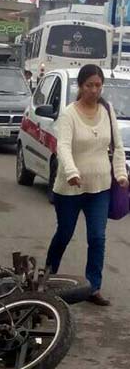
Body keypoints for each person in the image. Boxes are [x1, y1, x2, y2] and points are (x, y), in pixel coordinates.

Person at [46, 64, 129, 306]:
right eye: (89, 85)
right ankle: (46, 278)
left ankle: (93, 287)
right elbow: (63, 147)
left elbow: (117, 146)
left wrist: (121, 174)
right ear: (80, 86)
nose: (94, 90)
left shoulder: (107, 110)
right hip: (69, 189)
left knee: (97, 237)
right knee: (64, 234)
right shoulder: (69, 114)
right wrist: (72, 172)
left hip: (100, 187)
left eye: (98, 85)